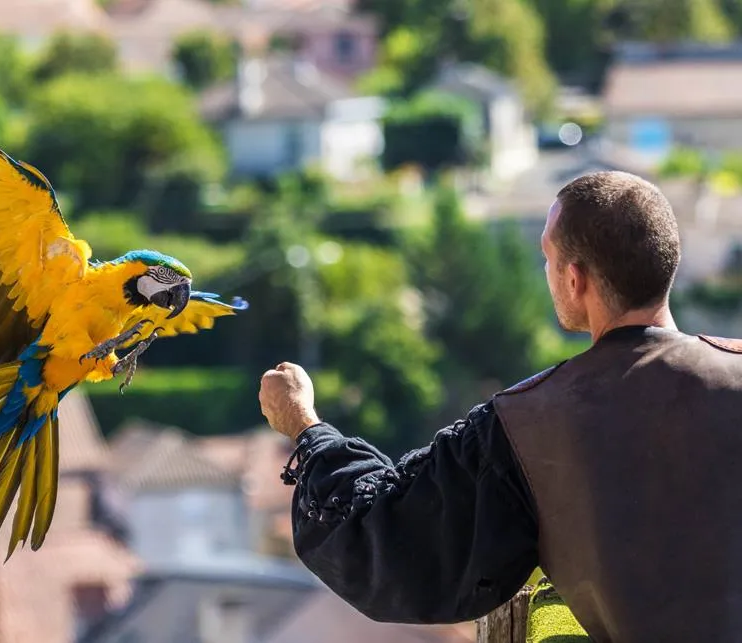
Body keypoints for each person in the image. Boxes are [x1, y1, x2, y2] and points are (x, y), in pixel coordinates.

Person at [258, 171, 742, 643]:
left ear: (574, 279)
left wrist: (305, 424)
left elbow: (391, 545)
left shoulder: (530, 422)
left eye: (548, 259)